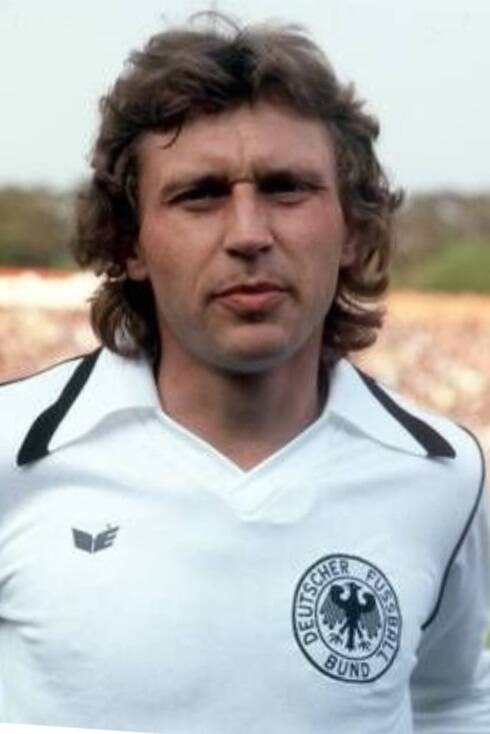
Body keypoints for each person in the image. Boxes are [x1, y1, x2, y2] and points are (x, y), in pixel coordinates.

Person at [1, 13, 489, 734]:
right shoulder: (12, 450)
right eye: (199, 194)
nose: (249, 234)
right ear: (131, 242)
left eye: (287, 189)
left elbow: (451, 703)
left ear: (352, 229)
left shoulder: (445, 477)